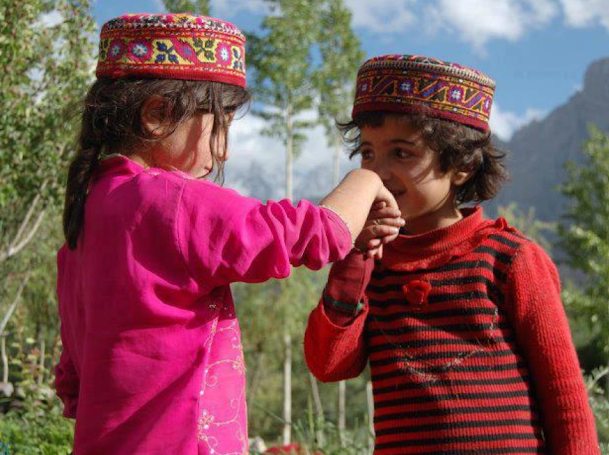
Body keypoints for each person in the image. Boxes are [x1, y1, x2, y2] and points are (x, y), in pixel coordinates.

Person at [53, 14, 403, 455]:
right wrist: (368, 178)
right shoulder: (174, 201)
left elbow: (72, 381)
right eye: (221, 125)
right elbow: (315, 235)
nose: (224, 150)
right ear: (158, 115)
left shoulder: (85, 221)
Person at [304, 54, 600, 455]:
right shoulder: (371, 265)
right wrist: (354, 257)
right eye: (368, 154)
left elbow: (564, 397)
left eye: (402, 153)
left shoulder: (510, 260)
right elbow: (328, 364)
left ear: (460, 164)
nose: (378, 174)